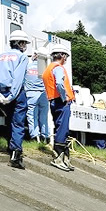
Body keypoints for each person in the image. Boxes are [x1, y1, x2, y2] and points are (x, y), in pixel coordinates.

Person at [0, 30, 31, 169]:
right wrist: (11, 97)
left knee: (9, 121)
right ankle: (16, 155)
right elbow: (18, 79)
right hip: (16, 93)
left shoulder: (0, 56)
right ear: (20, 43)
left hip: (1, 90)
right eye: (24, 43)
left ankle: (10, 146)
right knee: (18, 122)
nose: (25, 46)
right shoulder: (22, 57)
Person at [42, 43, 74, 171]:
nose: (66, 59)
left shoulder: (47, 69)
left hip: (53, 101)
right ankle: (59, 157)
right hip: (61, 102)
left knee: (59, 126)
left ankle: (65, 158)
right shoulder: (58, 68)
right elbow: (60, 83)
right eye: (65, 56)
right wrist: (64, 96)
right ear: (61, 55)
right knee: (63, 129)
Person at [24, 45, 49, 143]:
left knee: (32, 117)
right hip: (43, 95)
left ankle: (35, 137)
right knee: (43, 117)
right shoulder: (46, 69)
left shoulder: (28, 67)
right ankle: (45, 137)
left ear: (35, 55)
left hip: (30, 94)